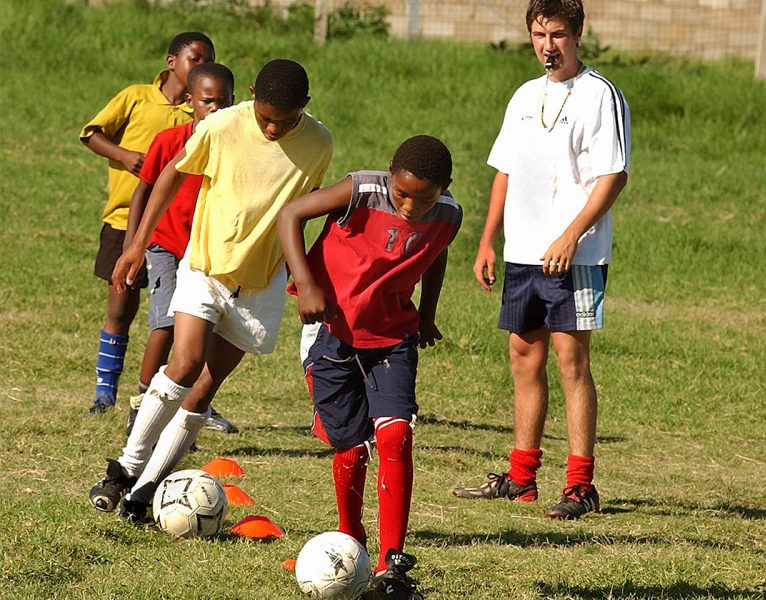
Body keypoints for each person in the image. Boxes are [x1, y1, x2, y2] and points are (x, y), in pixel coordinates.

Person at [87, 59, 334, 520]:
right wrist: (136, 243)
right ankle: (124, 468)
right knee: (184, 363)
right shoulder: (223, 125)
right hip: (204, 265)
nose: (274, 128)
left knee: (205, 388)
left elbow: (300, 210)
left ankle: (144, 492)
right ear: (253, 94)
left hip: (260, 284)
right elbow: (171, 175)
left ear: (306, 106)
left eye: (286, 119)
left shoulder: (320, 143)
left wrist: (306, 276)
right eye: (265, 117)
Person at [451, 0, 630, 520]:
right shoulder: (525, 96)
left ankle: (580, 485)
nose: (547, 46)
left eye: (556, 35)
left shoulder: (601, 95)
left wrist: (573, 234)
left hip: (574, 255)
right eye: (537, 34)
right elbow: (505, 169)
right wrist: (488, 239)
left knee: (572, 363)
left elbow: (613, 175)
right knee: (522, 358)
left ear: (577, 34)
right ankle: (521, 477)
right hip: (523, 254)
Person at [278, 135, 462, 600]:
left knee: (396, 436)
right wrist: (305, 282)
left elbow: (433, 255)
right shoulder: (360, 190)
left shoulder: (449, 215)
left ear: (445, 188)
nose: (410, 206)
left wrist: (427, 312)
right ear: (389, 174)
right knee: (351, 447)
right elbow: (290, 214)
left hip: (393, 337)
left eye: (424, 198)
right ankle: (350, 540)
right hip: (331, 331)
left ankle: (391, 565)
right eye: (402, 193)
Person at [79, 32, 215, 417]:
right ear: (172, 62)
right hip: (126, 221)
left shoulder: (205, 115)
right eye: (195, 58)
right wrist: (125, 155)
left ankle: (177, 398)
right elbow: (90, 133)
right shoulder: (137, 97)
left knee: (183, 321)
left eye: (208, 60)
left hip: (179, 232)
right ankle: (105, 392)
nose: (201, 66)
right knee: (121, 306)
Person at [122, 63, 237, 440]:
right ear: (190, 102)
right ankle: (142, 401)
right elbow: (144, 190)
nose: (215, 110)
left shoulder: (237, 146)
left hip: (207, 253)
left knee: (200, 335)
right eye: (207, 102)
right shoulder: (170, 141)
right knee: (167, 324)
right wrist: (133, 244)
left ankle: (187, 405)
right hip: (166, 245)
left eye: (224, 102)